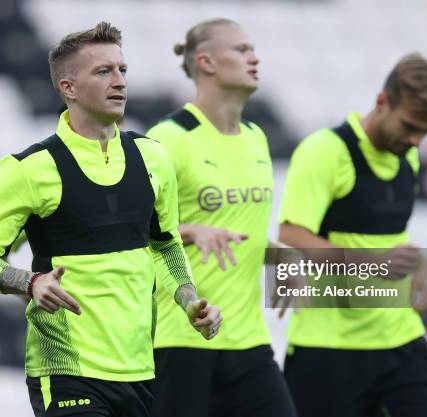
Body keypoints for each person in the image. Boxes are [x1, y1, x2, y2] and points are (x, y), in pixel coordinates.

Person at [0, 22, 222, 417]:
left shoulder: (153, 157)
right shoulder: (30, 168)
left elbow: (165, 244)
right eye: (103, 71)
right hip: (66, 370)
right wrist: (31, 282)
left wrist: (189, 301)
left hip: (139, 369)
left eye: (122, 70)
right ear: (68, 88)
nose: (119, 81)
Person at [278, 53, 427, 417]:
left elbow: (388, 241)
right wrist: (373, 265)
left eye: (425, 131)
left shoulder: (409, 156)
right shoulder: (325, 151)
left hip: (401, 341)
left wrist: (420, 265)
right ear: (381, 102)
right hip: (327, 351)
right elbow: (292, 235)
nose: (417, 140)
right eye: (409, 126)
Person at [146, 18, 297, 417]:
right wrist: (191, 231)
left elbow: (241, 227)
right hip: (179, 340)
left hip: (248, 341)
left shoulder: (256, 138)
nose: (254, 57)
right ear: (207, 62)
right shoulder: (167, 139)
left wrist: (279, 257)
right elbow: (125, 233)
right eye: (242, 50)